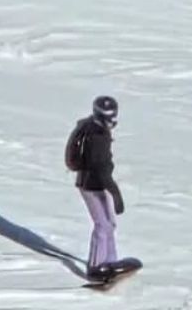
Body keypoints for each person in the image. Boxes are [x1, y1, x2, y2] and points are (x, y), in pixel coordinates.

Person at [64, 95, 126, 283]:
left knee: (109, 223)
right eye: (110, 117)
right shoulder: (97, 137)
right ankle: (96, 266)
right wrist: (115, 193)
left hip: (96, 183)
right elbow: (100, 168)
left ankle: (110, 262)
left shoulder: (94, 129)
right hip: (91, 186)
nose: (113, 121)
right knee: (103, 224)